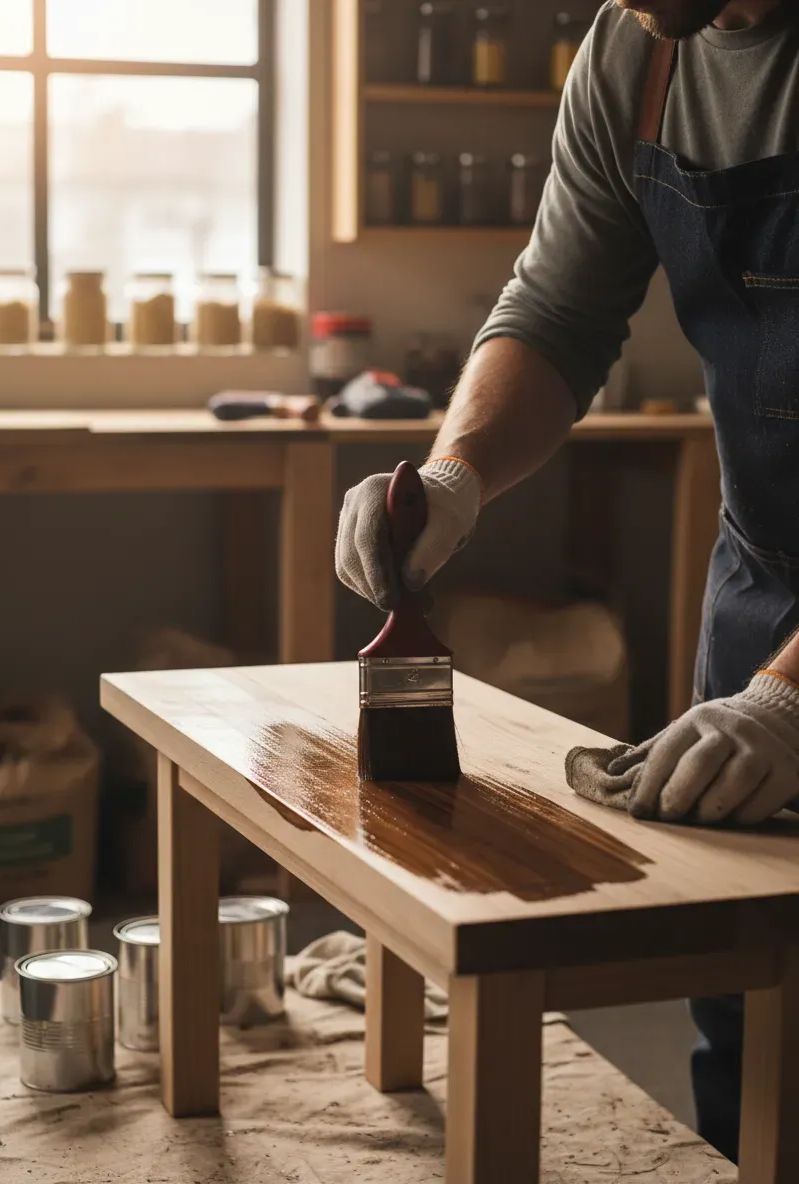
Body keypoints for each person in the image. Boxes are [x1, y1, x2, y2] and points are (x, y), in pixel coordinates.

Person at [335, 0, 799, 1164]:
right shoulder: (636, 54)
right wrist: (454, 477)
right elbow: (556, 310)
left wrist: (789, 700)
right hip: (763, 581)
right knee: (752, 1012)